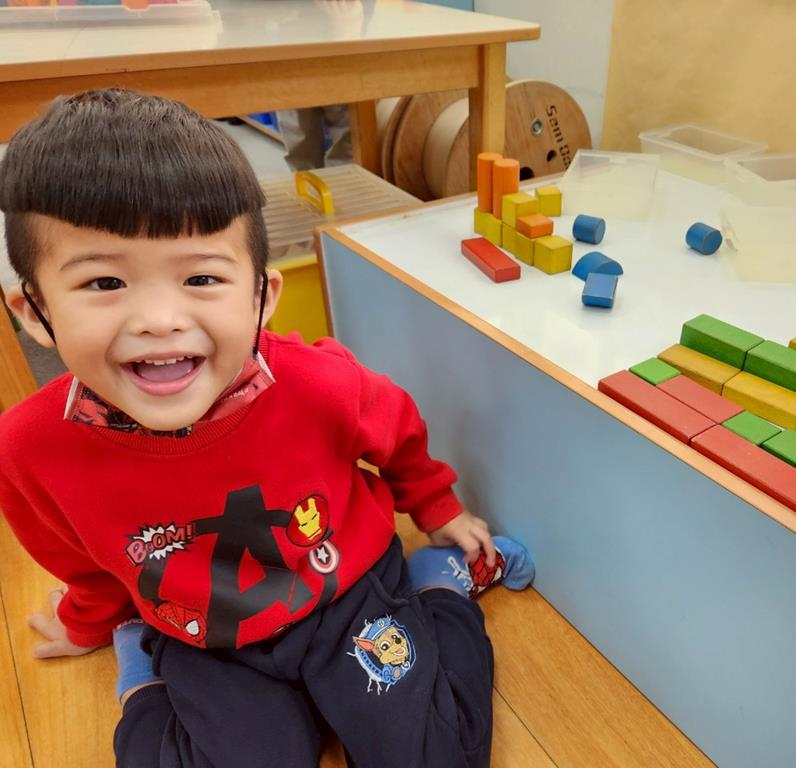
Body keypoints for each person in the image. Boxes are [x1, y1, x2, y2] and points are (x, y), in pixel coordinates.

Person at [0, 88, 534, 768]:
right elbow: (84, 556)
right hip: (203, 641)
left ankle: (437, 584)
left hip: (346, 596)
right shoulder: (29, 448)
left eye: (201, 278)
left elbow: (395, 428)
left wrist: (436, 506)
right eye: (105, 284)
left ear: (261, 297)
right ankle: (144, 674)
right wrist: (91, 623)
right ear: (35, 310)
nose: (159, 320)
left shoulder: (318, 382)